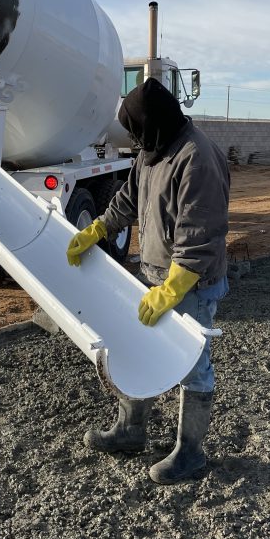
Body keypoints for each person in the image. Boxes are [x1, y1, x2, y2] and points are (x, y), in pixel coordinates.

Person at [66, 78, 230, 484]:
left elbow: (200, 235)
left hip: (191, 283)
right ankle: (130, 431)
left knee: (191, 363)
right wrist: (98, 229)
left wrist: (172, 291)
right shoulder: (153, 149)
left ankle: (190, 453)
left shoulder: (197, 159)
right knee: (139, 351)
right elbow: (128, 198)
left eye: (137, 130)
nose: (136, 139)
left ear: (153, 122)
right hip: (155, 276)